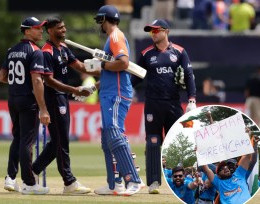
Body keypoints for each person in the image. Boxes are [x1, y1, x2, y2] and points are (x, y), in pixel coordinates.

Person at [31, 16, 98, 195]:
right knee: (62, 142)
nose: (64, 30)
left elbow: (82, 67)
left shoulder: (64, 48)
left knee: (58, 141)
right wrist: (74, 90)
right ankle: (69, 182)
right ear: (50, 31)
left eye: (64, 27)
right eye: (59, 28)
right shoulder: (46, 52)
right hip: (52, 98)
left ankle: (33, 171)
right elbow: (49, 81)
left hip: (62, 98)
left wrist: (108, 67)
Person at [131, 19, 196, 194]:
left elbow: (189, 76)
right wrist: (126, 90)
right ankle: (153, 182)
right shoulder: (146, 54)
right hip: (153, 103)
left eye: (156, 30)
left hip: (173, 103)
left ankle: (180, 182)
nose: (153, 33)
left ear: (165, 31)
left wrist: (191, 99)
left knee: (175, 143)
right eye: (150, 31)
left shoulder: (180, 52)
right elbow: (136, 77)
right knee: (153, 141)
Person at [83, 5, 142, 196]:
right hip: (109, 92)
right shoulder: (113, 37)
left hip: (117, 94)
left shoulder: (115, 36)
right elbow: (111, 70)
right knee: (108, 138)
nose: (99, 25)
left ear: (104, 20)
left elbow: (123, 63)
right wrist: (94, 86)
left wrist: (100, 64)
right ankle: (113, 184)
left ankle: (134, 179)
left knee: (114, 134)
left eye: (99, 21)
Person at [0, 16, 50, 195]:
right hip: (28, 100)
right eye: (37, 28)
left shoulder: (12, 50)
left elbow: (1, 77)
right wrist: (43, 108)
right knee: (27, 142)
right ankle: (29, 183)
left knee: (18, 138)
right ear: (27, 30)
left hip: (13, 99)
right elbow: (37, 80)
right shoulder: (35, 51)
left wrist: (18, 84)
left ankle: (10, 178)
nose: (41, 31)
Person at [201, 136, 259, 204]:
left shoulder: (239, 173)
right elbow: (207, 170)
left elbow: (247, 156)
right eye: (221, 169)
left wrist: (247, 138)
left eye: (226, 167)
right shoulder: (218, 182)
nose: (225, 168)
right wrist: (200, 154)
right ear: (218, 175)